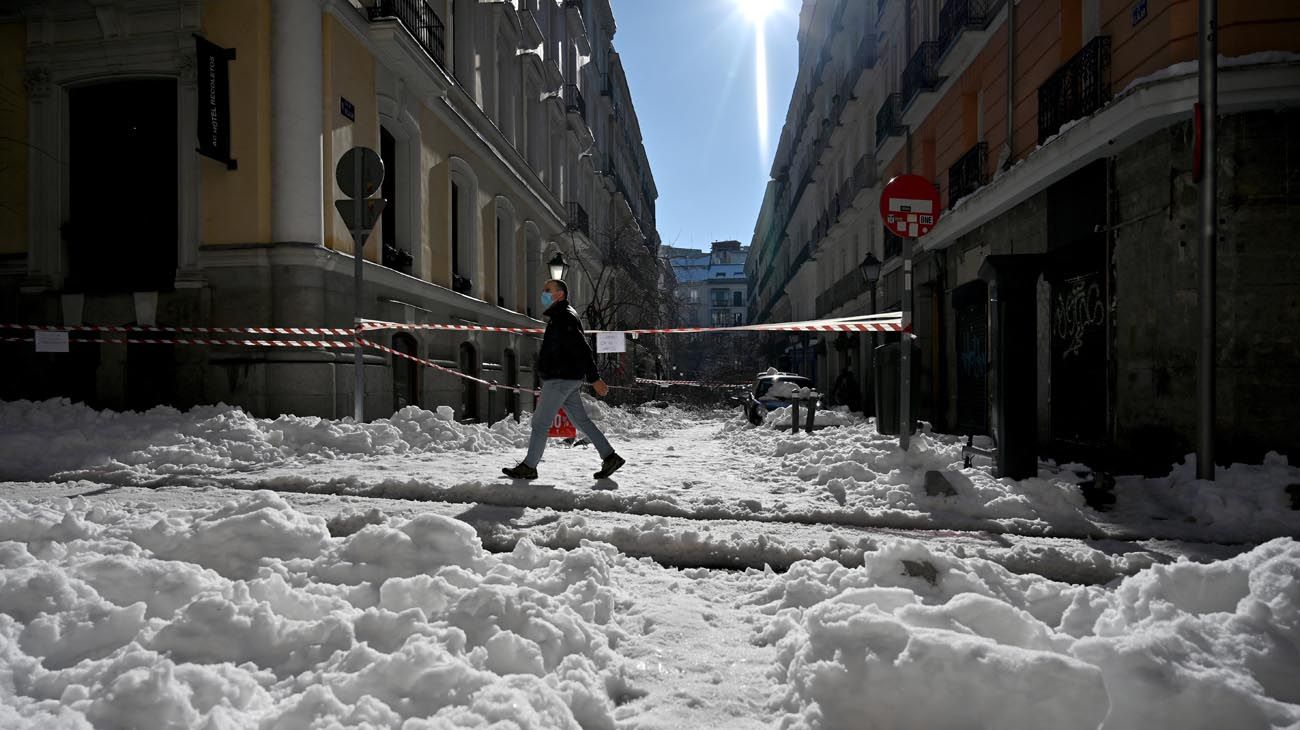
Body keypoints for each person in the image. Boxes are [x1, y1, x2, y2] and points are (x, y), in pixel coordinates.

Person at [503, 279, 625, 480]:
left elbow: (582, 348)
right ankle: (610, 456)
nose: (543, 293)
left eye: (547, 290)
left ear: (560, 294)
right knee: (582, 421)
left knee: (540, 423)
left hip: (560, 378)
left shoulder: (564, 317)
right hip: (566, 378)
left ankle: (529, 466)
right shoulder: (562, 315)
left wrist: (595, 378)